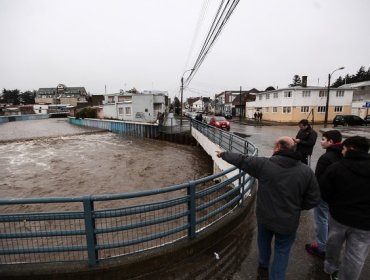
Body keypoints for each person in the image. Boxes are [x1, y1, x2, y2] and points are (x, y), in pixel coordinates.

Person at [216, 136, 320, 280]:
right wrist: (296, 207)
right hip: (288, 221)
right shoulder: (306, 171)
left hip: (265, 217)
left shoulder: (264, 164)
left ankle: (263, 265)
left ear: (278, 147)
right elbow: (313, 199)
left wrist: (223, 154)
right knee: (282, 251)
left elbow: (242, 160)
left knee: (263, 242)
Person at [320, 136, 370, 280]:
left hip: (339, 217)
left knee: (333, 245)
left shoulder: (337, 167)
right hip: (365, 223)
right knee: (357, 255)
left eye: (343, 148)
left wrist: (335, 204)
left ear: (350, 148)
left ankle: (330, 268)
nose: (341, 151)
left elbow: (324, 192)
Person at [305, 130, 343, 259]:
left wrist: (313, 194)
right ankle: (328, 245)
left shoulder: (326, 158)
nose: (320, 141)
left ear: (331, 142)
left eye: (323, 139)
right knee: (329, 220)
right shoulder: (343, 154)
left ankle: (321, 248)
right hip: (336, 196)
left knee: (321, 220)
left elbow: (318, 180)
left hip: (324, 196)